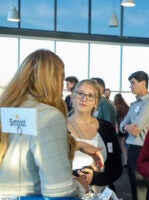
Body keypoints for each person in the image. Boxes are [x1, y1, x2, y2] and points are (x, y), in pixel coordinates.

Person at [0, 49, 94, 198]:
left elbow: (21, 147)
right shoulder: (48, 116)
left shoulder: (7, 108)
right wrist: (81, 185)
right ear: (54, 79)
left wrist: (78, 145)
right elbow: (59, 191)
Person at [68, 79, 123, 193]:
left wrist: (94, 177)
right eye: (80, 93)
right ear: (72, 97)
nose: (85, 98)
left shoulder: (106, 128)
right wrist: (81, 175)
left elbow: (116, 167)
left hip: (101, 193)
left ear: (96, 102)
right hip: (68, 193)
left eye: (90, 95)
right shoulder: (58, 127)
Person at [119, 71, 149, 200]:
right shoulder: (136, 104)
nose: (130, 86)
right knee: (134, 185)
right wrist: (125, 127)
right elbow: (122, 125)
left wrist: (125, 127)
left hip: (141, 150)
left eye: (133, 83)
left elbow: (135, 129)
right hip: (133, 149)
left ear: (143, 83)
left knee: (140, 187)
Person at [113, 93, 130, 167]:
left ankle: (126, 161)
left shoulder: (118, 106)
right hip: (126, 126)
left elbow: (115, 116)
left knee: (122, 144)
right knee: (123, 143)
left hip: (121, 127)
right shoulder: (126, 105)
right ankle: (125, 160)